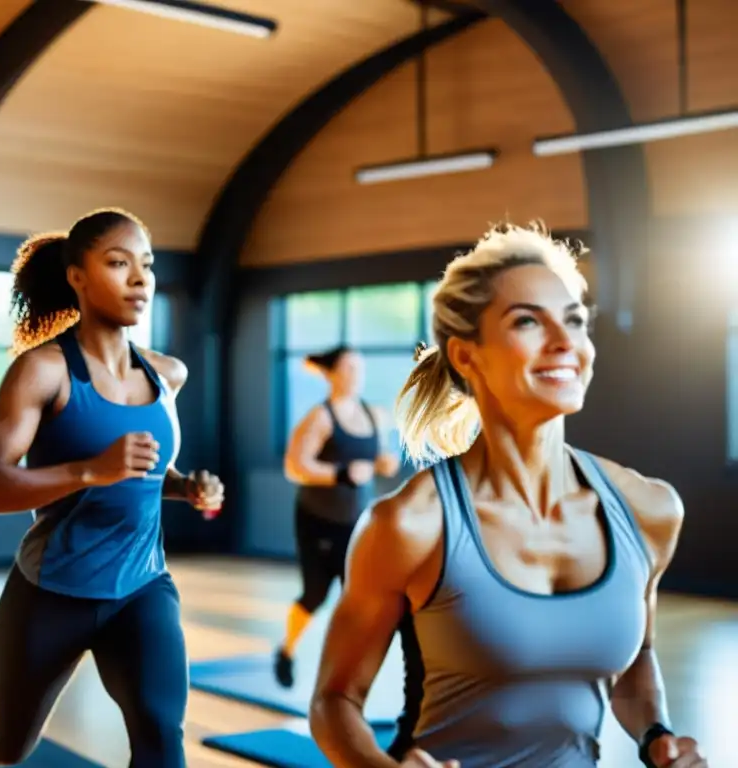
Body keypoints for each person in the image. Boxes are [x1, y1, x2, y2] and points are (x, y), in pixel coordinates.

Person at [310, 222, 708, 768]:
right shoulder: (410, 525)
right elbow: (335, 702)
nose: (566, 343)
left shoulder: (648, 510)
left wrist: (656, 737)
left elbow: (637, 661)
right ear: (467, 357)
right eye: (528, 322)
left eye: (574, 321)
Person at [0, 208, 224, 768]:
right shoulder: (44, 372)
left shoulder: (165, 374)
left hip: (142, 588)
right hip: (50, 593)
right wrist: (89, 471)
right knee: (10, 744)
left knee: (160, 738)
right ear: (77, 276)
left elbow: (149, 474)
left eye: (147, 266)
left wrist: (186, 486)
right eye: (118, 263)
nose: (139, 279)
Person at [274, 345, 400, 688]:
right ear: (330, 374)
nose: (354, 375)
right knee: (315, 595)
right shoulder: (321, 417)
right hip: (317, 519)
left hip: (357, 522)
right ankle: (286, 650)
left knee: (358, 597)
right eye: (347, 368)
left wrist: (384, 464)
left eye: (359, 368)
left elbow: (378, 459)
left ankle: (343, 675)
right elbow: (294, 466)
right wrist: (339, 474)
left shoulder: (375, 415)